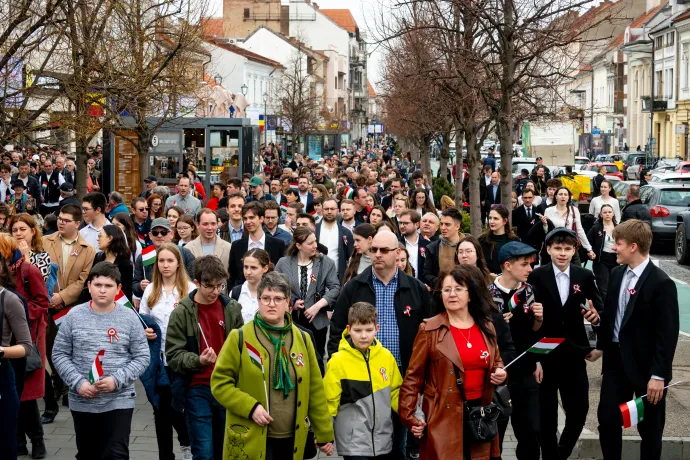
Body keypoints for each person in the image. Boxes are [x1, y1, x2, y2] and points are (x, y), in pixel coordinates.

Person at [329, 231, 432, 458]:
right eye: (374, 249)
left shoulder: (416, 289)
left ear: (397, 253)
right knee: (360, 449)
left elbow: (429, 336)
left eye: (383, 250)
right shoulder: (354, 287)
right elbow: (336, 330)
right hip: (360, 388)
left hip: (400, 382)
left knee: (396, 448)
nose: (377, 254)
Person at [211, 271, 335, 459]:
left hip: (292, 439)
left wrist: (324, 433)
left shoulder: (303, 338)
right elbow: (219, 384)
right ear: (258, 301)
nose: (271, 304)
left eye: (278, 298)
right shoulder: (239, 337)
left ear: (288, 304)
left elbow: (315, 389)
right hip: (252, 436)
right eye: (266, 298)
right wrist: (250, 407)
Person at [588, 220, 679, 460]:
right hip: (616, 364)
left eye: (617, 244)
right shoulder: (617, 274)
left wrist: (658, 376)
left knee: (649, 431)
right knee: (607, 421)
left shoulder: (661, 283)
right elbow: (612, 317)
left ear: (633, 247)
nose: (613, 248)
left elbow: (667, 334)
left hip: (648, 370)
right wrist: (598, 329)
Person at [399, 265, 506, 459]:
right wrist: (410, 417)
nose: (452, 294)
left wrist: (501, 372)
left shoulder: (486, 326)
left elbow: (496, 361)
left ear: (470, 294)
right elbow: (412, 378)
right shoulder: (429, 329)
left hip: (480, 414)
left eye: (458, 289)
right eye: (446, 290)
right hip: (442, 416)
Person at [51, 262, 150, 460]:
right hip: (83, 400)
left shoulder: (129, 317)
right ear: (89, 286)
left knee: (116, 454)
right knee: (88, 453)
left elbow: (142, 357)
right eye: (98, 285)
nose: (102, 290)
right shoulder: (74, 316)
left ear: (118, 289)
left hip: (119, 399)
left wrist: (116, 380)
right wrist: (78, 383)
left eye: (108, 286)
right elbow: (59, 354)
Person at [528, 228, 603, 460]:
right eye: (558, 248)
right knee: (545, 416)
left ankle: (560, 454)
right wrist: (534, 358)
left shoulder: (584, 276)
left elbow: (600, 309)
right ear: (548, 249)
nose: (562, 253)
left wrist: (596, 322)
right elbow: (526, 317)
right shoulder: (536, 276)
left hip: (574, 352)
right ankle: (550, 455)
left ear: (574, 250)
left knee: (579, 412)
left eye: (567, 249)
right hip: (544, 352)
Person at [165, 256, 244, 460]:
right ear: (197, 283)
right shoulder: (182, 312)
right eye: (209, 286)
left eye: (220, 286)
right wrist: (198, 361)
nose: (216, 291)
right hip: (197, 388)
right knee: (204, 452)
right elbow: (173, 355)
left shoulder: (231, 308)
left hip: (226, 386)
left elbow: (242, 347)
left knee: (225, 450)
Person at [324, 302, 402, 459]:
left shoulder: (386, 357)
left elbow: (397, 392)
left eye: (369, 330)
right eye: (358, 330)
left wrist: (414, 417)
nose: (364, 335)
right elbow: (329, 401)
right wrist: (324, 434)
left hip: (382, 439)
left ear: (377, 329)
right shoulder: (337, 362)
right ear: (348, 330)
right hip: (353, 441)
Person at [139, 243, 195, 460]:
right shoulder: (151, 290)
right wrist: (145, 332)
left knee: (177, 407)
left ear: (178, 263)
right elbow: (141, 320)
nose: (165, 265)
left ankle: (186, 441)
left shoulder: (189, 290)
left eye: (170, 261)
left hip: (180, 360)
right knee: (159, 409)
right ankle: (165, 455)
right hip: (157, 360)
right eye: (161, 261)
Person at [42, 204, 96, 422]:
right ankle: (56, 384)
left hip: (69, 307)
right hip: (45, 304)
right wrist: (48, 297)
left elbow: (83, 281)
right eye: (59, 219)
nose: (61, 222)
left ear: (77, 223)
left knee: (66, 347)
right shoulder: (45, 241)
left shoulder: (87, 249)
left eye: (66, 220)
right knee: (46, 347)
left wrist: (61, 297)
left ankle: (63, 386)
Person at [0, 233, 50, 458]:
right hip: (8, 340)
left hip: (27, 336)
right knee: (16, 398)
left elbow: (42, 302)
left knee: (26, 395)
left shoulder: (28, 270)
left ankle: (37, 440)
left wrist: (16, 316)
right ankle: (18, 440)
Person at [275, 227, 340, 357]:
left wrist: (318, 305)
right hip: (291, 319)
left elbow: (335, 288)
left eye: (315, 241)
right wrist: (292, 300)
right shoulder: (284, 263)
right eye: (310, 243)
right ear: (298, 245)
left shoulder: (325, 262)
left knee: (316, 359)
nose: (315, 246)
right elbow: (276, 285)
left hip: (317, 322)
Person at [0, 255, 32, 459]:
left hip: (1, 378)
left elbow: (26, 346)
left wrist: (1, 350)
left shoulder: (9, 300)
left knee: (3, 443)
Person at [132, 218, 195, 299]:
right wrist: (140, 286)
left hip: (180, 300)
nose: (159, 235)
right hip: (153, 302)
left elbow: (193, 280)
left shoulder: (184, 253)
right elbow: (135, 286)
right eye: (155, 233)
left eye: (163, 232)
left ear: (171, 234)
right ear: (150, 236)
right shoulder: (143, 257)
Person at [228, 202, 286, 288]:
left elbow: (281, 275)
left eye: (252, 217)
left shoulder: (277, 245)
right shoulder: (237, 246)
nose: (248, 222)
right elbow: (232, 276)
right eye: (245, 218)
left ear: (261, 219)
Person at [541, 187, 595, 264]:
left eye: (565, 194)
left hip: (570, 245)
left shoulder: (574, 210)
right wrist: (545, 224)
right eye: (560, 194)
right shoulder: (549, 210)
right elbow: (546, 231)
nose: (563, 196)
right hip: (555, 245)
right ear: (556, 197)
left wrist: (589, 249)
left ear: (569, 197)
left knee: (577, 272)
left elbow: (579, 230)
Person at [184, 209, 231, 291]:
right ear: (197, 225)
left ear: (217, 225)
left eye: (213, 224)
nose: (210, 228)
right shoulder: (188, 249)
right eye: (205, 224)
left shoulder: (228, 247)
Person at [422, 207, 464, 288]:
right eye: (441, 224)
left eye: (447, 224)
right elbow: (426, 274)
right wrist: (441, 283)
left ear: (457, 226)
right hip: (440, 293)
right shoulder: (433, 247)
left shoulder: (469, 245)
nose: (443, 228)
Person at [91, 225, 134, 302]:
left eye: (100, 235)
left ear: (110, 238)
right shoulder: (98, 256)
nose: (98, 239)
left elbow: (126, 291)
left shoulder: (125, 264)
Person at [316, 198, 354, 284]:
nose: (329, 211)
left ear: (337, 211)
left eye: (332, 209)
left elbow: (351, 257)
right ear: (322, 211)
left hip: (337, 278)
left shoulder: (346, 232)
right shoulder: (314, 230)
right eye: (326, 209)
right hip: (316, 277)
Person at [587, 204, 620, 301]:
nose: (607, 214)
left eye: (609, 212)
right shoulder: (596, 228)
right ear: (601, 214)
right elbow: (588, 243)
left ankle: (614, 307)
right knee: (603, 287)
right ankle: (604, 309)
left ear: (613, 214)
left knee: (615, 285)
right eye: (605, 212)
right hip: (601, 260)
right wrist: (590, 252)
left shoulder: (619, 228)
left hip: (616, 259)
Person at [231, 248, 272, 323]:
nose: (248, 272)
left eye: (253, 268)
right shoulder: (235, 292)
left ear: (265, 268)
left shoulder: (273, 292)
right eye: (246, 267)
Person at [479, 205, 519, 274]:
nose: (491, 221)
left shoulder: (514, 241)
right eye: (490, 218)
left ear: (505, 221)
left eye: (495, 218)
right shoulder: (482, 240)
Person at [398, 210, 429, 280]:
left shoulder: (428, 245)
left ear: (416, 225)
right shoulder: (396, 244)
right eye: (400, 223)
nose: (402, 226)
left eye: (405, 223)